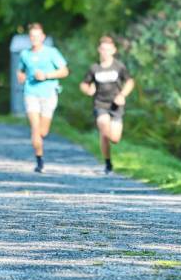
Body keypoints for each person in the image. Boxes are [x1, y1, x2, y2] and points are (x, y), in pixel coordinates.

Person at [17, 23, 69, 172]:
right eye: (32, 36)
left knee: (43, 131)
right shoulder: (25, 54)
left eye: (37, 36)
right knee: (35, 127)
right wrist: (20, 76)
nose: (35, 39)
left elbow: (64, 71)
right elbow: (20, 71)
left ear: (43, 37)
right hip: (31, 92)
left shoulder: (52, 52)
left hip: (49, 93)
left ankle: (39, 146)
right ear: (29, 38)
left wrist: (46, 75)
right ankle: (39, 160)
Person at [80, 36, 135, 174]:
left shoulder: (119, 66)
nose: (105, 52)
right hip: (100, 104)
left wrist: (122, 95)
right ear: (99, 50)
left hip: (116, 106)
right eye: (103, 49)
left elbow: (129, 82)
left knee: (114, 139)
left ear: (114, 50)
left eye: (108, 49)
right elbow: (84, 84)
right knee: (103, 125)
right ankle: (107, 163)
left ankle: (108, 159)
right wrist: (88, 89)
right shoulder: (94, 68)